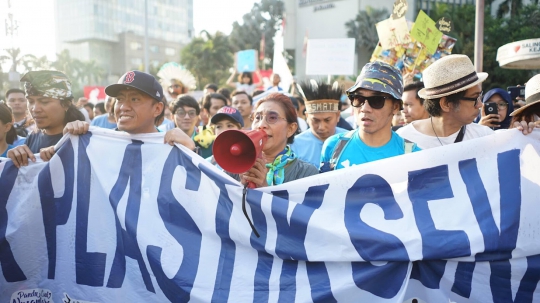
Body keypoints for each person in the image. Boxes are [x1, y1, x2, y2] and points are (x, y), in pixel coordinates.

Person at [320, 61, 420, 172]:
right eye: (359, 99)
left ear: (395, 107)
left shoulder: (413, 156)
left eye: (376, 101)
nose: (365, 108)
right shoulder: (334, 147)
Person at [397, 55, 494, 149]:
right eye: (475, 98)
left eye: (480, 96)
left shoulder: (485, 138)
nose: (480, 105)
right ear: (446, 104)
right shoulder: (403, 140)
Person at [229, 93, 318, 187]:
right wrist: (240, 188)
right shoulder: (235, 165)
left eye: (272, 118)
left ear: (291, 129)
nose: (261, 125)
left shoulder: (307, 173)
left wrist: (263, 189)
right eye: (257, 118)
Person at [7, 70, 85, 167]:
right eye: (30, 101)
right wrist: (16, 157)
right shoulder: (32, 137)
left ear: (66, 104)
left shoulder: (81, 137)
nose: (35, 109)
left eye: (44, 102)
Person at [291, 81, 347, 168]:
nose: (321, 127)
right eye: (315, 120)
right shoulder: (294, 146)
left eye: (327, 120)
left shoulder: (350, 140)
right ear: (307, 117)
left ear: (338, 116)